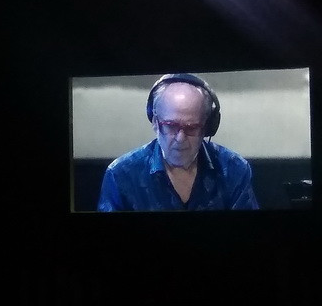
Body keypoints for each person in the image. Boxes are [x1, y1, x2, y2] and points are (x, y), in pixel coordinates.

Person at [98, 73, 259, 211]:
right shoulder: (121, 174)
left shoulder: (234, 168)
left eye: (192, 127)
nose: (180, 138)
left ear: (207, 128)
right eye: (170, 126)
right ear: (155, 122)